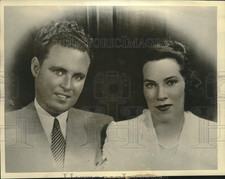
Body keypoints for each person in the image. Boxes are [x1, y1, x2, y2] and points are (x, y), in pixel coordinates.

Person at [5, 20, 113, 172]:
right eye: (59, 72)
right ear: (36, 68)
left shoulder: (103, 127)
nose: (68, 85)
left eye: (78, 77)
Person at [102, 40, 217, 170]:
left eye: (170, 82)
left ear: (187, 82)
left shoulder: (214, 135)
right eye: (150, 85)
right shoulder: (120, 134)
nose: (160, 95)